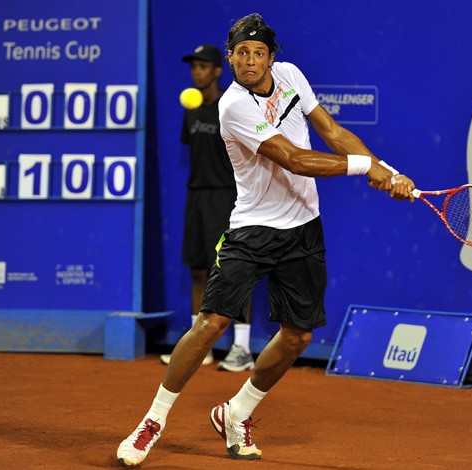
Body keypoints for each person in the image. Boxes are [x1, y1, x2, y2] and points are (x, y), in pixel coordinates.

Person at [117, 13, 415, 467]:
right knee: (210, 324)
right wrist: (364, 168)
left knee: (297, 336)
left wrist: (388, 171)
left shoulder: (292, 76)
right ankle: (152, 421)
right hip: (252, 229)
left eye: (259, 53)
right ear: (231, 59)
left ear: (272, 58)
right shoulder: (233, 106)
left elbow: (332, 133)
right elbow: (293, 159)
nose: (250, 61)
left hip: (303, 228)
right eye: (242, 54)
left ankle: (237, 412)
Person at [159, 44, 255, 372]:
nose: (196, 72)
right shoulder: (191, 108)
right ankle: (198, 348)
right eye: (193, 67)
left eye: (203, 66)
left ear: (217, 70)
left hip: (229, 197)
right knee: (198, 270)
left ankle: (241, 348)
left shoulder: (232, 106)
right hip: (196, 196)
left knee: (232, 272)